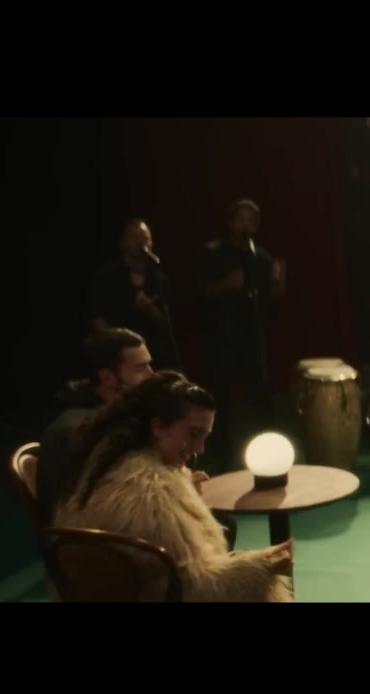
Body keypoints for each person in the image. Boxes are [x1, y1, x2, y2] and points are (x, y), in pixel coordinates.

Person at [55, 372, 293, 602]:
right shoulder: (147, 490)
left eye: (204, 437)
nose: (200, 449)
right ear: (158, 427)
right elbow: (195, 588)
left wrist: (183, 492)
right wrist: (263, 564)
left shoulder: (109, 460)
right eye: (194, 434)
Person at [35, 328, 155, 526]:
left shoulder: (116, 417)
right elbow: (86, 510)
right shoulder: (76, 431)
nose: (152, 375)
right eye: (140, 368)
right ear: (107, 378)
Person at [199, 198, 286, 470]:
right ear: (231, 223)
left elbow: (270, 298)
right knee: (221, 396)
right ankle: (221, 455)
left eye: (251, 220)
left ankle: (270, 447)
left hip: (254, 335)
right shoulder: (215, 253)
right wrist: (226, 285)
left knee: (261, 394)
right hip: (224, 334)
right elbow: (201, 293)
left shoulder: (261, 257)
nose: (245, 225)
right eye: (241, 219)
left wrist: (278, 283)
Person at [88, 219, 182, 370]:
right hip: (118, 358)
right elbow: (97, 319)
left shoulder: (159, 280)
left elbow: (168, 326)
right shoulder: (107, 277)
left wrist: (150, 310)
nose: (141, 242)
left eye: (145, 238)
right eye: (134, 236)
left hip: (154, 358)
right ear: (122, 243)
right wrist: (119, 347)